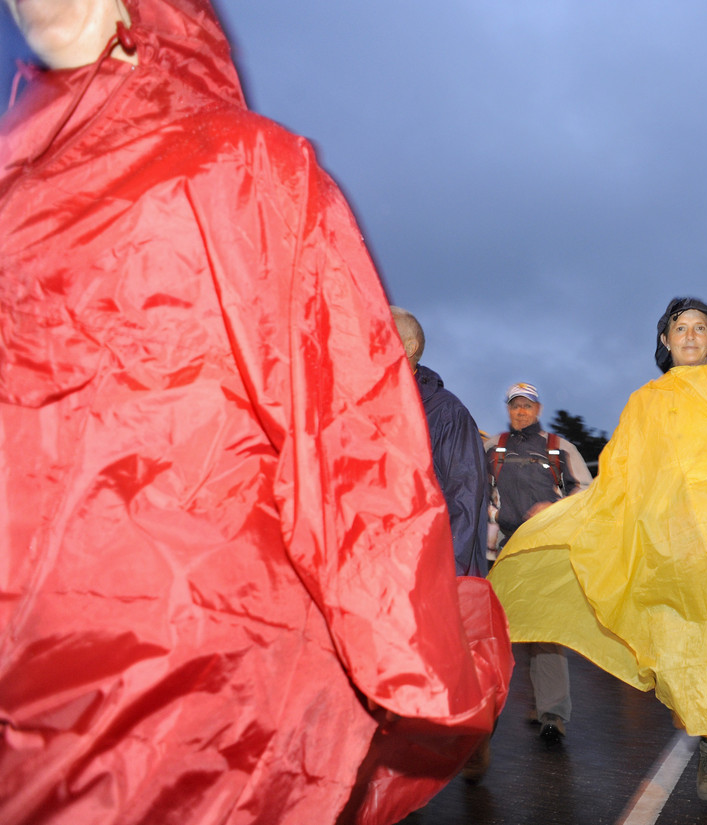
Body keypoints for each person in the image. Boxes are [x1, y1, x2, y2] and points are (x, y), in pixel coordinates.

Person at [0, 3, 511, 824]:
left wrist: (428, 646)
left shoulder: (248, 169)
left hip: (199, 685)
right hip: (32, 692)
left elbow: (355, 458)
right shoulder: (14, 195)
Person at [489, 297, 707, 825]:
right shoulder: (645, 402)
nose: (689, 335)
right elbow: (623, 480)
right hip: (675, 555)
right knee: (688, 656)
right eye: (679, 328)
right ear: (664, 340)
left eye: (699, 328)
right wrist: (573, 514)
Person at [484, 382, 591, 743]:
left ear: (538, 409)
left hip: (544, 553)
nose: (521, 412)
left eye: (527, 406)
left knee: (545, 633)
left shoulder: (559, 448)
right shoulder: (492, 447)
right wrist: (496, 513)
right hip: (501, 553)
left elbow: (586, 491)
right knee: (494, 631)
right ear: (509, 409)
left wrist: (553, 510)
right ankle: (480, 713)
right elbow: (471, 488)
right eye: (515, 406)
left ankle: (552, 715)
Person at [391, 307, 490, 578]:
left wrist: (444, 576)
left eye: (382, 334)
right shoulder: (356, 405)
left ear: (409, 347)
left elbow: (465, 498)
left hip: (421, 569)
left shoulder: (447, 413)